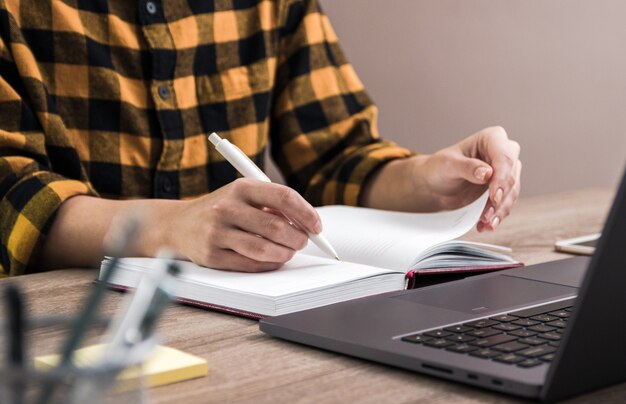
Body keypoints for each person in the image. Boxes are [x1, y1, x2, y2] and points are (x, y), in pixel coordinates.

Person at [0, 0, 520, 277]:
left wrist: (429, 177)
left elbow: (335, 154)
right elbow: (10, 194)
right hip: (60, 334)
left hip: (239, 321)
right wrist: (175, 225)